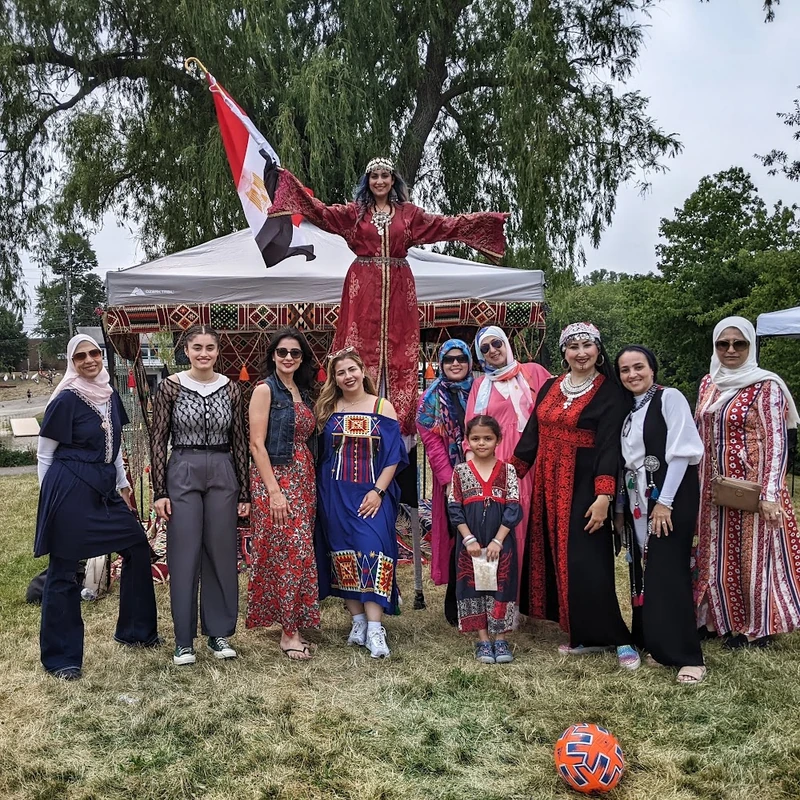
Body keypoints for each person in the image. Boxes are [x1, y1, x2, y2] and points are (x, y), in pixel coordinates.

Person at [269, 157, 508, 435]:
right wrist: (287, 183)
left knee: (399, 350)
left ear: (393, 180)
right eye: (374, 176)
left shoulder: (409, 215)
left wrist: (486, 222)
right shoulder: (354, 214)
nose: (380, 181)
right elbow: (320, 212)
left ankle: (397, 425)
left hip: (399, 285)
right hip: (363, 285)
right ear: (367, 182)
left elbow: (445, 225)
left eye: (385, 175)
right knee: (358, 348)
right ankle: (353, 413)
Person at [512, 322, 639, 670]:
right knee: (555, 555)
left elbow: (608, 448)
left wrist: (603, 497)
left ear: (599, 350)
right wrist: (510, 474)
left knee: (587, 562)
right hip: (548, 485)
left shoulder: (610, 393)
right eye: (573, 346)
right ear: (564, 351)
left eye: (587, 345)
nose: (580, 352)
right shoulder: (551, 386)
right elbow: (532, 434)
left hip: (584, 487)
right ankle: (580, 633)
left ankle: (617, 636)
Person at [34, 334, 159, 680]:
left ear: (101, 356)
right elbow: (45, 454)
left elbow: (115, 448)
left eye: (94, 353)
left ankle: (135, 630)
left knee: (136, 546)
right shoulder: (66, 399)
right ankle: (62, 658)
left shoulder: (109, 395)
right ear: (72, 363)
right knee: (64, 567)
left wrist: (123, 485)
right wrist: (50, 502)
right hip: (69, 485)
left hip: (104, 488)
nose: (89, 360)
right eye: (80, 357)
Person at [694, 315, 800, 648]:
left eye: (739, 343)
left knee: (754, 556)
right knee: (716, 554)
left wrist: (770, 494)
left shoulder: (766, 385)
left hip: (753, 487)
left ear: (750, 346)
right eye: (723, 343)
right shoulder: (709, 383)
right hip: (712, 486)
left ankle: (757, 627)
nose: (730, 350)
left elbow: (777, 440)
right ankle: (718, 620)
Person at [150, 325, 251, 666]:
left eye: (210, 347)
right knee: (184, 550)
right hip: (183, 467)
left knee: (221, 550)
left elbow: (240, 440)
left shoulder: (231, 389)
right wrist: (159, 491)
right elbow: (157, 438)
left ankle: (218, 632)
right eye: (197, 347)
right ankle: (183, 640)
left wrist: (245, 491)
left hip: (223, 468)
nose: (203, 353)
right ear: (187, 350)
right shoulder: (171, 387)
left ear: (218, 351)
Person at [615, 346, 706, 684]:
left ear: (652, 369)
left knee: (669, 571)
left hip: (669, 498)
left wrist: (665, 502)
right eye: (625, 370)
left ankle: (688, 656)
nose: (632, 374)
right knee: (648, 573)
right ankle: (659, 645)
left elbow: (682, 453)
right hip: (642, 500)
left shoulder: (670, 399)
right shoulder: (630, 410)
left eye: (638, 367)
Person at [315, 348, 408, 658]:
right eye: (340, 372)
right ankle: (357, 623)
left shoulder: (383, 407)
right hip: (335, 492)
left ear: (362, 371)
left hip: (371, 493)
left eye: (352, 369)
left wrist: (378, 491)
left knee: (375, 551)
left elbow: (393, 455)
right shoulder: (329, 409)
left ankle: (375, 628)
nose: (348, 376)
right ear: (334, 378)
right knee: (343, 553)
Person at [247, 328, 320, 660]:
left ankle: (294, 624)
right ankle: (288, 634)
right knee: (288, 552)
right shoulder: (265, 389)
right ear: (272, 355)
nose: (288, 358)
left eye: (295, 353)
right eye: (282, 352)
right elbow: (256, 445)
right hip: (276, 478)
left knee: (300, 553)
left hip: (303, 478)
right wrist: (275, 492)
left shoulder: (301, 391)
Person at [464, 326, 550, 592]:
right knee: (505, 525)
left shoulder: (534, 372)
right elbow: (471, 430)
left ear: (507, 343)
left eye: (497, 343)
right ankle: (505, 596)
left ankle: (534, 594)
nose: (493, 350)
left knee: (536, 522)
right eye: (485, 348)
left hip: (536, 459)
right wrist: (473, 474)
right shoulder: (480, 385)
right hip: (500, 463)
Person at [448, 415, 522, 664]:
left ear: (498, 440)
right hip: (471, 545)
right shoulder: (460, 472)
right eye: (476, 438)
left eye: (488, 438)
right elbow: (454, 507)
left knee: (501, 585)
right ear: (467, 441)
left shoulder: (508, 471)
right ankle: (482, 639)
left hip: (500, 544)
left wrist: (498, 541)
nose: (482, 443)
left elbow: (513, 507)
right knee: (474, 585)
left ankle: (500, 637)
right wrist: (468, 539)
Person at [415, 339, 474, 625]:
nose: (454, 364)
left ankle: (486, 599)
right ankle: (457, 602)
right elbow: (432, 442)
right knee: (458, 538)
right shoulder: (431, 398)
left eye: (460, 359)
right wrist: (449, 480)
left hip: (484, 474)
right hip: (452, 479)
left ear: (469, 361)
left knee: (484, 534)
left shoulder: (481, 389)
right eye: (448, 359)